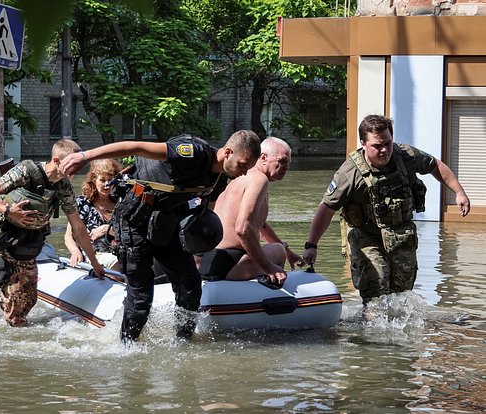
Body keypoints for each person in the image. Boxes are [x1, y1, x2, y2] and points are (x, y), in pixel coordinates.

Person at [59, 130, 261, 342]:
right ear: (228, 152)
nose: (245, 172)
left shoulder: (219, 179)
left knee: (190, 285)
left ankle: (183, 342)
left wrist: (197, 247)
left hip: (167, 224)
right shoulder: (192, 152)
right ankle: (126, 348)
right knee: (141, 299)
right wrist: (84, 156)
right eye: (243, 164)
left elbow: (203, 215)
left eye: (249, 167)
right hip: (133, 221)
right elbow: (137, 147)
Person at [302, 115, 470, 307]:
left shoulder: (406, 156)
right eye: (377, 146)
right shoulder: (349, 174)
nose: (384, 150)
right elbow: (326, 209)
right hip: (366, 237)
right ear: (364, 144)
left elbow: (435, 165)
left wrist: (459, 192)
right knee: (376, 285)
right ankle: (370, 331)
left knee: (402, 295)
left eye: (388, 143)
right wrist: (311, 245)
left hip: (401, 234)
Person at [0, 139, 105, 327]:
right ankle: (11, 345)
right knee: (16, 300)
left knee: (30, 299)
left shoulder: (63, 186)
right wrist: (8, 211)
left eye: (78, 164)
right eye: (72, 164)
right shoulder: (26, 172)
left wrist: (95, 264)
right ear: (57, 161)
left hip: (26, 243)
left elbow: (78, 227)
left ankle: (10, 323)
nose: (77, 169)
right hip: (1, 240)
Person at [199, 137, 303, 286]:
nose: (286, 167)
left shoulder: (239, 178)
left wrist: (289, 252)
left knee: (281, 249)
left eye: (288, 163)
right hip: (229, 263)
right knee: (278, 251)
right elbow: (243, 229)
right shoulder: (260, 180)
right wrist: (268, 266)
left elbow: (260, 224)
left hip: (209, 260)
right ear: (264, 158)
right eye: (282, 161)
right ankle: (268, 285)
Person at [65, 159, 122, 270]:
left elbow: (128, 234)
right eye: (102, 180)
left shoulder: (120, 204)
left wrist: (107, 229)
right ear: (94, 180)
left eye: (110, 180)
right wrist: (75, 251)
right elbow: (68, 236)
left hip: (118, 251)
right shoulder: (82, 203)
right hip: (93, 254)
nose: (107, 185)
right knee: (117, 262)